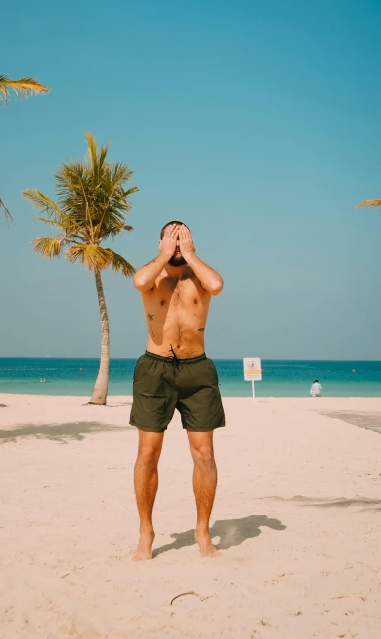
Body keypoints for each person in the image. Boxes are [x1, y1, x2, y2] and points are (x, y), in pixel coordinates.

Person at [130, 222, 225, 560]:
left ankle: (202, 531)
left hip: (196, 369)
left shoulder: (199, 278)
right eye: (173, 235)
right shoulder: (152, 277)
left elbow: (218, 284)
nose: (178, 241)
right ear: (161, 241)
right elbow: (138, 281)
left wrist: (191, 254)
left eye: (182, 235)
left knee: (204, 455)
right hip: (154, 369)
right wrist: (165, 253)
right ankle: (146, 532)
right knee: (148, 453)